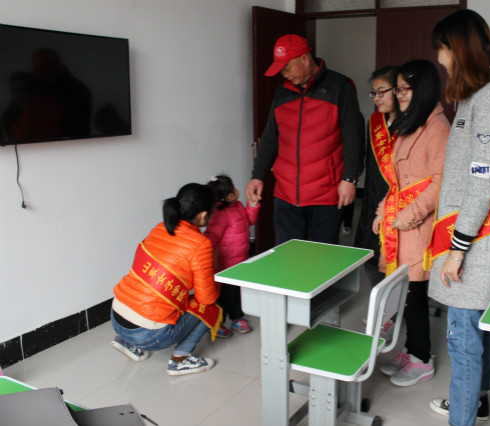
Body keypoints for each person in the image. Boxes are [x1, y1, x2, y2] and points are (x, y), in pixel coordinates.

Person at [426, 10, 490, 425]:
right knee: (481, 326)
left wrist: (457, 250)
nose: (439, 58)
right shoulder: (483, 91)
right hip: (481, 235)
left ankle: (462, 417)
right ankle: (478, 400)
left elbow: (482, 182)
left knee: (463, 337)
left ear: (458, 49)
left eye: (441, 49)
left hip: (477, 243)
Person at [371, 60, 450, 387]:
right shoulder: (412, 122)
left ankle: (422, 359)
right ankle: (410, 350)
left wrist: (409, 215)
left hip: (417, 229)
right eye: (398, 89)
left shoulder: (437, 127)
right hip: (400, 224)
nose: (399, 95)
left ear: (423, 89)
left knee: (415, 295)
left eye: (405, 89)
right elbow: (397, 181)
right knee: (405, 292)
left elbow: (441, 182)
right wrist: (382, 211)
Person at [245, 34, 364, 246]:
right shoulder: (282, 92)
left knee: (322, 258)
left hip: (326, 194)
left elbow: (353, 136)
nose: (284, 74)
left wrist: (350, 179)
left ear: (305, 59)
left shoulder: (339, 87)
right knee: (287, 255)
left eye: (287, 67)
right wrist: (257, 176)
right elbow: (270, 137)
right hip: (286, 194)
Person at [110, 183, 222, 376]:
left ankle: (126, 342)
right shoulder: (201, 244)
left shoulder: (159, 228)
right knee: (210, 307)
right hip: (147, 335)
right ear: (203, 216)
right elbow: (207, 298)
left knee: (157, 294)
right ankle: (180, 360)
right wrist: (216, 273)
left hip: (116, 317)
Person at [354, 65, 399, 288]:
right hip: (373, 199)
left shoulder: (412, 123)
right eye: (374, 93)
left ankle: (393, 305)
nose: (377, 98)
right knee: (370, 257)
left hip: (398, 203)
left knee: (395, 261)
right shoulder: (374, 121)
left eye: (382, 92)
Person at [205, 175, 260, 338]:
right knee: (225, 296)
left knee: (237, 292)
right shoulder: (219, 215)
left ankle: (237, 317)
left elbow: (249, 221)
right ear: (229, 196)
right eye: (234, 188)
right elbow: (212, 236)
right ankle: (217, 323)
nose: (237, 190)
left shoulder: (238, 205)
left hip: (240, 261)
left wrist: (253, 205)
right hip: (225, 265)